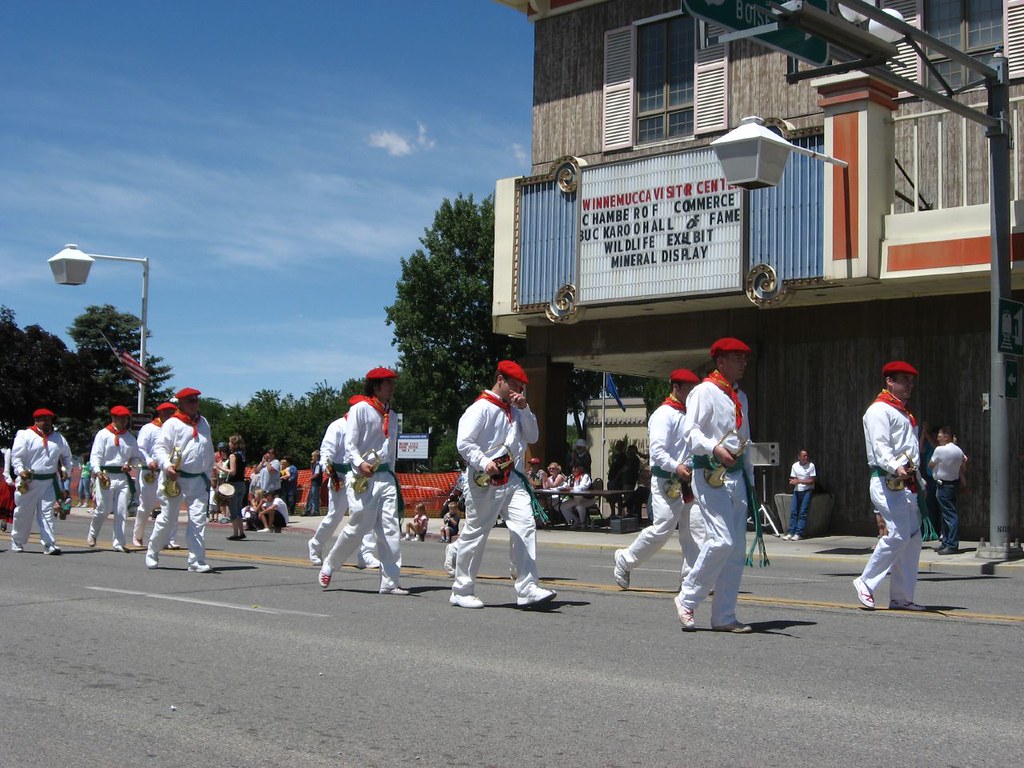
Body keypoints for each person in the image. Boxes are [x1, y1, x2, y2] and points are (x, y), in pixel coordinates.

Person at [450, 359, 556, 610]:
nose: (518, 391)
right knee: (476, 533)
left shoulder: (518, 410)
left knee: (525, 526)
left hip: (514, 480)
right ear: (500, 380)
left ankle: (527, 587)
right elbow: (464, 443)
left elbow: (533, 437)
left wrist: (526, 409)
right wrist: (483, 461)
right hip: (485, 480)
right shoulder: (480, 408)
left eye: (521, 387)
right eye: (514, 385)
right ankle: (461, 590)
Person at [675, 338, 756, 633]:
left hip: (736, 476)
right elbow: (691, 432)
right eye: (737, 358)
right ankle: (687, 598)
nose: (743, 363)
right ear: (721, 362)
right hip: (710, 473)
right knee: (722, 540)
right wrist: (714, 448)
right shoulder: (704, 392)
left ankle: (724, 615)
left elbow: (745, 440)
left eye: (744, 358)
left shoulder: (739, 396)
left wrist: (750, 479)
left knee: (736, 549)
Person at [317, 367, 407, 595]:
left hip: (385, 477)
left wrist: (392, 475)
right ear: (376, 386)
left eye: (393, 383)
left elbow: (391, 451)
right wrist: (359, 463)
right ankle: (331, 563)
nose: (392, 387)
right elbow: (350, 444)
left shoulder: (392, 415)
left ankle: (390, 581)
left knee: (390, 529)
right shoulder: (359, 409)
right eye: (388, 383)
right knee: (359, 526)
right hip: (362, 476)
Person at [614, 368, 706, 590]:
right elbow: (657, 452)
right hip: (667, 481)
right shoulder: (663, 415)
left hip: (689, 480)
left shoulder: (690, 415)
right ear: (676, 388)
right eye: (689, 389)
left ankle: (691, 578)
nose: (693, 394)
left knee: (696, 529)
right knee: (663, 528)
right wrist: (677, 466)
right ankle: (625, 559)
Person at [853, 361, 926, 611]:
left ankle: (901, 597)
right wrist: (896, 466)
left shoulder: (904, 413)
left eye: (911, 381)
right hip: (887, 479)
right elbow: (880, 446)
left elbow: (910, 450)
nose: (909, 385)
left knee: (913, 538)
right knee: (897, 534)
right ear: (889, 382)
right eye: (904, 380)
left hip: (907, 482)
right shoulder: (879, 410)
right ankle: (865, 581)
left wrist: (918, 478)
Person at [145, 387, 215, 573]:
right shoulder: (172, 424)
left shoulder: (203, 422)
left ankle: (196, 560)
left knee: (198, 520)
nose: (195, 404)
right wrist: (167, 466)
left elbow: (208, 449)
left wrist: (209, 473)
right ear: (181, 403)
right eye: (191, 401)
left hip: (198, 480)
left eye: (196, 400)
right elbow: (160, 449)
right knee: (168, 518)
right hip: (175, 478)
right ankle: (152, 550)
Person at [308, 404, 380, 568]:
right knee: (335, 516)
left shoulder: (364, 428)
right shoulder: (337, 426)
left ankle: (365, 554)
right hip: (339, 476)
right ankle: (315, 545)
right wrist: (331, 473)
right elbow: (326, 453)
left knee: (363, 513)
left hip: (358, 476)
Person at [9, 407, 72, 555]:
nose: (47, 422)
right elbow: (17, 457)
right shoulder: (25, 435)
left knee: (47, 513)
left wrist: (66, 470)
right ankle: (17, 540)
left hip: (49, 482)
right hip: (28, 482)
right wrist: (20, 470)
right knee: (23, 512)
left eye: (49, 420)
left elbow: (67, 456)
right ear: (36, 420)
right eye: (44, 420)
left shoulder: (58, 438)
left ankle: (49, 544)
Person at [87, 405, 143, 553]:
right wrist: (98, 472)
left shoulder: (130, 438)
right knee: (103, 509)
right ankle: (93, 532)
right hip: (106, 475)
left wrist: (130, 464)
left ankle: (118, 542)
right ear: (113, 418)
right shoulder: (103, 434)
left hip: (122, 477)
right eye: (121, 418)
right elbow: (95, 456)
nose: (124, 421)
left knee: (121, 510)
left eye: (126, 418)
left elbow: (135, 457)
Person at [133, 402, 178, 546]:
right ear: (161, 413)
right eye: (168, 412)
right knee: (146, 505)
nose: (171, 415)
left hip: (167, 472)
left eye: (172, 412)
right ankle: (138, 535)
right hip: (150, 472)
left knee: (170, 505)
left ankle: (169, 539)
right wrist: (149, 460)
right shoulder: (149, 428)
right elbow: (140, 448)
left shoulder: (174, 429)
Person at [930, 426, 967, 555]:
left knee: (950, 515)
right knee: (946, 514)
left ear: (946, 437)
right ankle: (946, 542)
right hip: (953, 484)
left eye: (940, 436)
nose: (938, 438)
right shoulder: (959, 451)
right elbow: (964, 464)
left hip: (943, 484)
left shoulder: (940, 450)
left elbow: (931, 464)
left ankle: (951, 544)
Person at [785, 450, 816, 541]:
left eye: (806, 456)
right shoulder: (795, 466)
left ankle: (798, 533)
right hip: (797, 490)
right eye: (804, 456)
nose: (806, 458)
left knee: (803, 512)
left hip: (807, 490)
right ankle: (791, 532)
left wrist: (800, 481)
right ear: (799, 457)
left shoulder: (811, 466)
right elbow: (793, 478)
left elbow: (812, 480)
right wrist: (793, 482)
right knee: (794, 511)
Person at [224, 434, 248, 540]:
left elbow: (233, 472)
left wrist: (220, 467)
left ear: (234, 444)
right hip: (242, 483)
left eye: (230, 442)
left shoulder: (233, 456)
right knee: (238, 508)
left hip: (234, 484)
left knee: (233, 509)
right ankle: (241, 532)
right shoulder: (242, 455)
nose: (229, 444)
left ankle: (235, 533)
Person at [558, 463, 593, 529]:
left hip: (587, 499)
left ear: (581, 469)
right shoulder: (571, 477)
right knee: (562, 506)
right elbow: (566, 485)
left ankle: (583, 523)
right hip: (576, 499)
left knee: (579, 506)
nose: (574, 469)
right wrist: (564, 486)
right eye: (573, 468)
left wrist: (572, 488)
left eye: (576, 468)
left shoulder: (585, 476)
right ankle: (575, 521)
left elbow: (583, 487)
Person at [305, 450, 323, 516]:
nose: (312, 458)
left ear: (316, 457)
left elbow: (316, 473)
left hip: (316, 483)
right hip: (313, 483)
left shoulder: (318, 465)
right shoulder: (314, 464)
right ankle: (308, 510)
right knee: (310, 497)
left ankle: (316, 511)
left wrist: (310, 478)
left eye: (313, 456)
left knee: (315, 497)